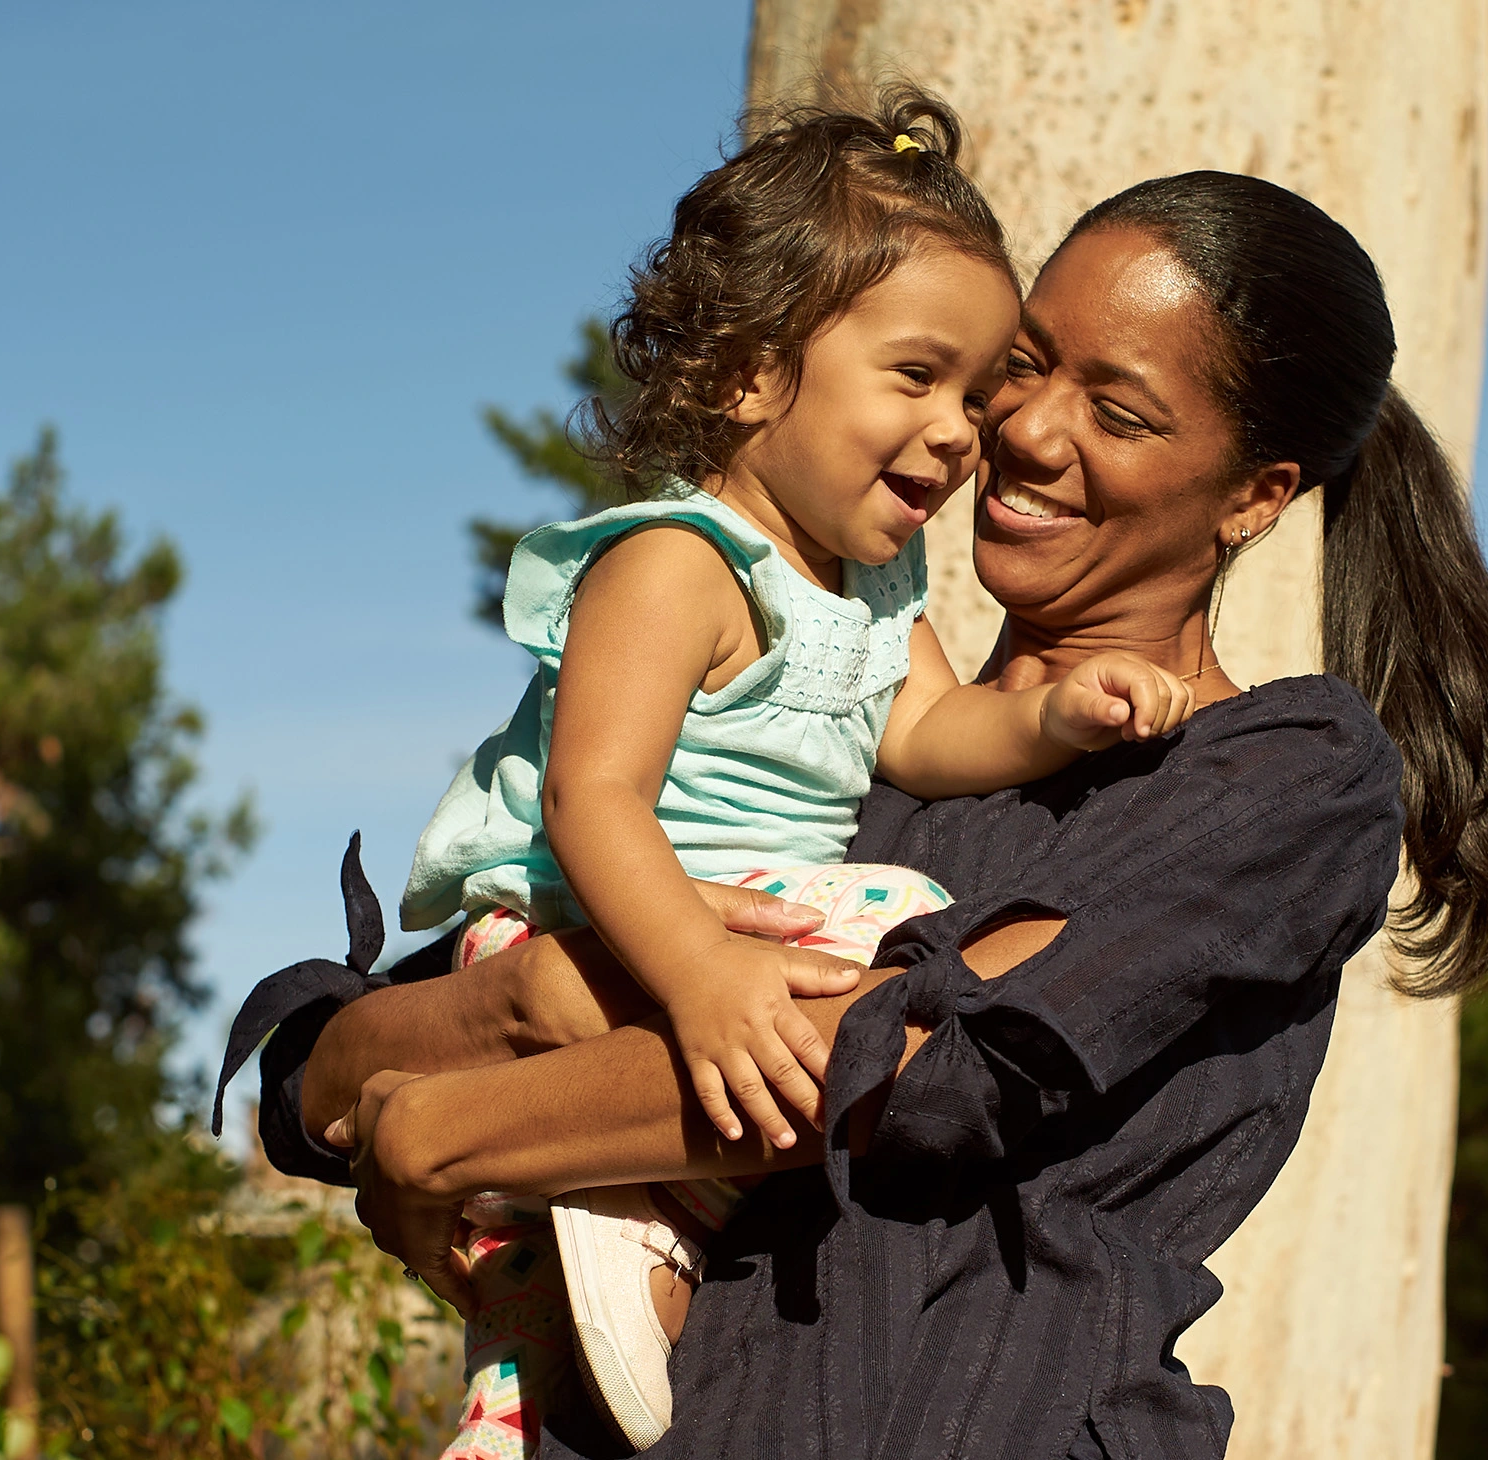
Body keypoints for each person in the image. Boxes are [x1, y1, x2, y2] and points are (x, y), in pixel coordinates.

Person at [215, 168, 1488, 1458]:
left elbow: (912, 1062)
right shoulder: (815, 728)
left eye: (1123, 410)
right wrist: (511, 1015)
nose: (1025, 430)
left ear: (1256, 497)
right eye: (1025, 365)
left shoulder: (1283, 773)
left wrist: (442, 1129)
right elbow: (316, 1073)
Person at [386, 87, 1192, 1455]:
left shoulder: (876, 589)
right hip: (593, 924)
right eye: (916, 375)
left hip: (718, 933)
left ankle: (537, 1362)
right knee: (883, 939)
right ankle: (624, 1215)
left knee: (886, 941)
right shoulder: (676, 562)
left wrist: (1059, 716)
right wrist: (700, 979)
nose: (962, 431)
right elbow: (592, 801)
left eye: (976, 393)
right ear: (752, 371)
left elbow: (931, 734)